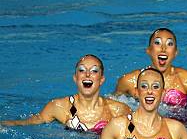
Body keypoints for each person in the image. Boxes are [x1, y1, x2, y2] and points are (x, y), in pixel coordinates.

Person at [2, 54, 130, 133]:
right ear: (75, 78)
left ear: (101, 80)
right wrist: (5, 124)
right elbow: (30, 122)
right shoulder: (58, 107)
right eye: (82, 70)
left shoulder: (118, 110)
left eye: (94, 71)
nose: (87, 74)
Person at [98, 67, 187, 139]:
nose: (150, 91)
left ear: (163, 93)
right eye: (144, 86)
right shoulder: (118, 125)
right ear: (136, 92)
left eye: (155, 87)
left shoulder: (175, 129)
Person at [114, 28, 187, 108]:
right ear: (149, 50)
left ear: (175, 52)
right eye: (157, 43)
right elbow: (115, 109)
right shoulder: (128, 81)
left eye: (169, 44)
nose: (163, 48)